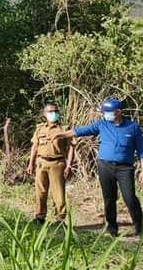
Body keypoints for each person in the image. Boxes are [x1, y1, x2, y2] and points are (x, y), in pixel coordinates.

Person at [53, 97, 143, 237]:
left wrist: (142, 169)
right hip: (105, 166)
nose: (105, 114)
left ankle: (139, 226)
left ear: (118, 112)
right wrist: (60, 135)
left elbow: (141, 150)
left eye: (108, 111)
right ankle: (112, 229)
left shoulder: (132, 127)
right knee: (109, 198)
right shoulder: (102, 124)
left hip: (125, 168)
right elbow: (80, 131)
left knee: (130, 197)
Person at [27, 102, 75, 224]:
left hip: (57, 163)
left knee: (58, 193)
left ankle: (60, 219)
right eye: (50, 112)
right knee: (40, 191)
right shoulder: (40, 128)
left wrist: (69, 165)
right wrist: (31, 163)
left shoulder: (64, 129)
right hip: (41, 163)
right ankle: (40, 216)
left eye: (55, 111)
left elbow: (71, 148)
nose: (53, 114)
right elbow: (35, 147)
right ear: (44, 114)